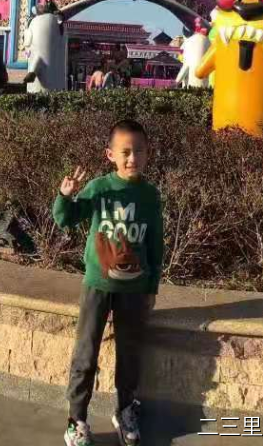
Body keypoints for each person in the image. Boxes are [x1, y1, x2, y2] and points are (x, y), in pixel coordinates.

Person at [53, 120, 164, 446]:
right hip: (97, 286)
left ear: (148, 153)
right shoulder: (100, 188)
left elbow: (155, 244)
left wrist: (152, 286)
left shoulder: (149, 195)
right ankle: (76, 419)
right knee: (86, 354)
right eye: (125, 152)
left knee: (129, 354)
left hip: (135, 290)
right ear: (110, 155)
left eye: (139, 151)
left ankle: (125, 409)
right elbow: (66, 219)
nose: (133, 158)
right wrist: (65, 196)